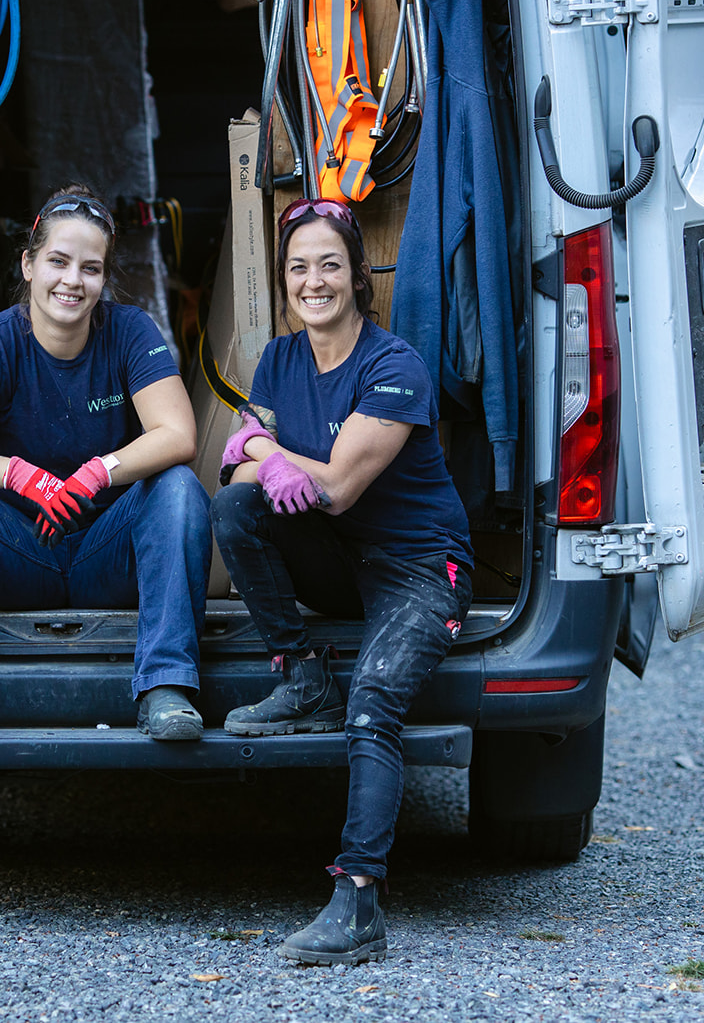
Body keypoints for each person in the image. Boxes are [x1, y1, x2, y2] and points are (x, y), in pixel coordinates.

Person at [214, 198, 475, 965]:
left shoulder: (393, 366)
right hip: (342, 561)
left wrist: (272, 454)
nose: (313, 280)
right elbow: (235, 456)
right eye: (299, 266)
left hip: (419, 568)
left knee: (375, 702)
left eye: (329, 263)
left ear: (358, 276)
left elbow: (337, 489)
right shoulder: (280, 359)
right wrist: (265, 455)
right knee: (236, 508)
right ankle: (300, 676)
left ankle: (358, 896)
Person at [0, 186, 212, 761]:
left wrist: (99, 472)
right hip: (21, 553)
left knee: (179, 488)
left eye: (90, 268)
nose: (72, 281)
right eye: (58, 261)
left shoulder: (130, 331)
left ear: (104, 280)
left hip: (107, 554)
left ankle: (166, 686)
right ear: (29, 264)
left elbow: (177, 434)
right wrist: (18, 475)